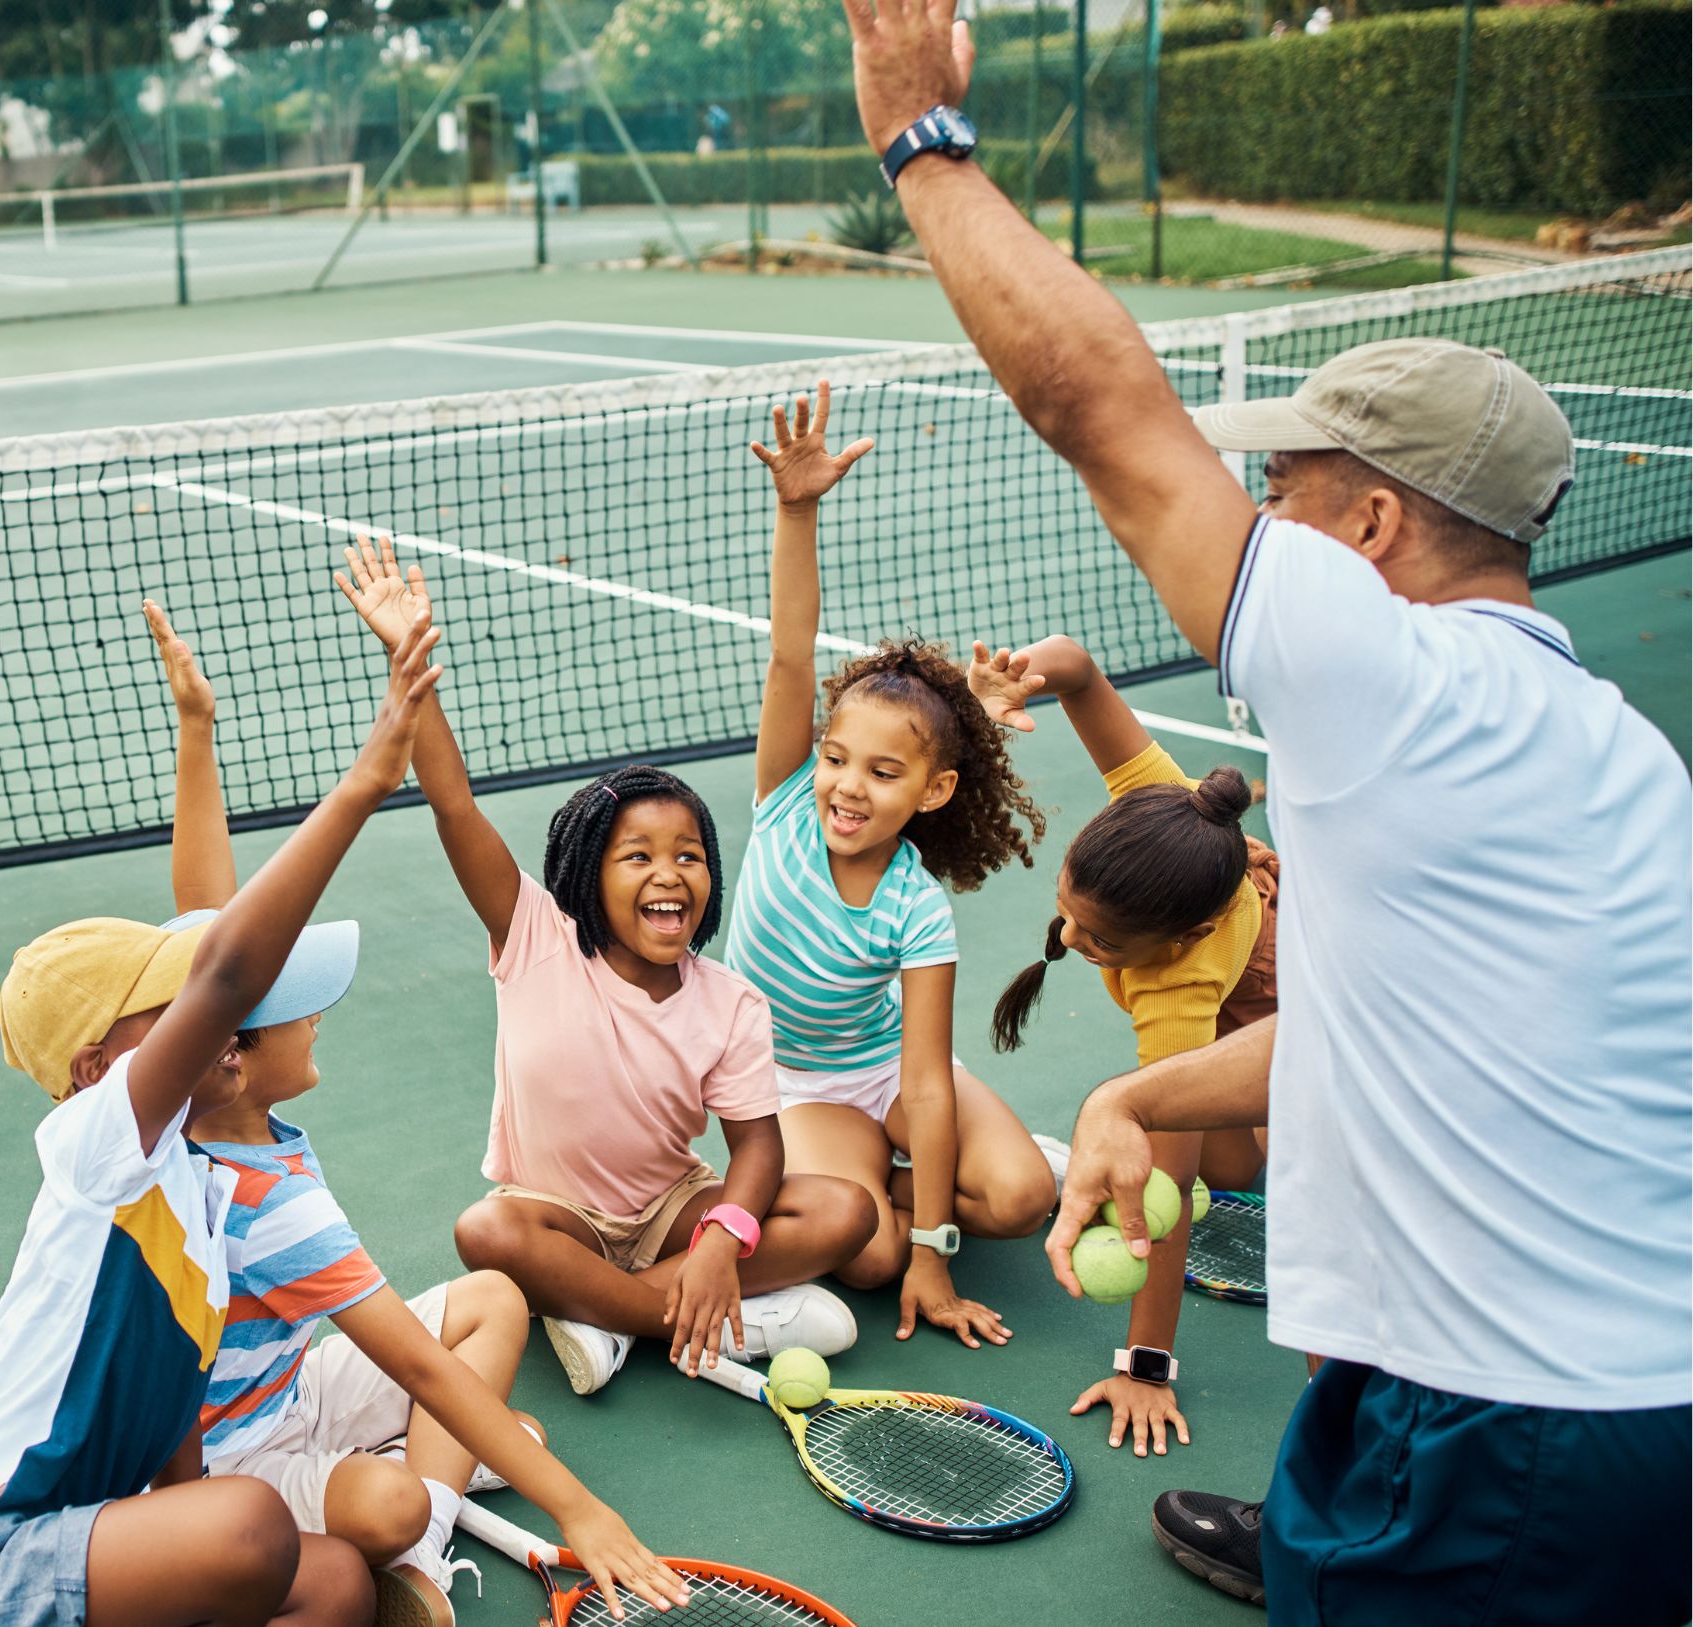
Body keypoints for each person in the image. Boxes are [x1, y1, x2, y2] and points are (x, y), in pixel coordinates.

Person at [836, 0, 1692, 1618]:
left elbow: (1096, 401)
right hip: (1580, 1395)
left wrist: (922, 150)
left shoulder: (1385, 675)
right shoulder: (1610, 746)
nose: (1264, 524)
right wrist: (1135, 1099)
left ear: (1374, 522)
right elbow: (1395, 1022)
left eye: (1289, 489)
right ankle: (1319, 1529)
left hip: (1505, 1425)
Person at [0, 614, 437, 1627]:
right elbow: (227, 962)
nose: (213, 1018)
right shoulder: (95, 1153)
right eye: (170, 1010)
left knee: (336, 1584)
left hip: (98, 1549)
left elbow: (177, 1463)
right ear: (97, 1067)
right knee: (252, 1526)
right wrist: (365, 780)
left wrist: (198, 731)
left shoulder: (201, 1201)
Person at [141, 601, 681, 1627]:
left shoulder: (196, 1109)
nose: (317, 1014)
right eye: (297, 1007)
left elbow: (217, 940)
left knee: (494, 1298)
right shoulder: (263, 1199)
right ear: (235, 1057)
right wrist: (583, 1511)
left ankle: (424, 1526)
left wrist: (198, 731)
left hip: (297, 1382)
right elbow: (417, 1360)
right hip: (231, 1460)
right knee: (390, 1500)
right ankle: (416, 1520)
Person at [333, 536, 872, 1398]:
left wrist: (723, 1242)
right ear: (587, 875)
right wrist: (407, 651)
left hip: (670, 1210)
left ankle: (620, 1317)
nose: (669, 873)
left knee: (846, 1210)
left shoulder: (729, 1002)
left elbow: (758, 1146)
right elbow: (452, 803)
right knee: (489, 1234)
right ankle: (700, 1318)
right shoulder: (533, 935)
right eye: (638, 857)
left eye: (689, 854)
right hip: (559, 1217)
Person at [727, 384, 1055, 1348]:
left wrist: (939, 1249)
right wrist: (798, 509)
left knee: (1024, 1197)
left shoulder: (917, 908)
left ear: (934, 791)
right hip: (800, 1081)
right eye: (838, 758)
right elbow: (792, 654)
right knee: (867, 1255)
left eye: (883, 772)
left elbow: (923, 1079)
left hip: (882, 1075)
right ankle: (874, 1182)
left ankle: (904, 1180)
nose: (847, 786)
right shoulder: (786, 797)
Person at [969, 635, 1276, 1456]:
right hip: (1248, 948)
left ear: (1186, 935)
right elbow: (1072, 663)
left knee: (1231, 1167)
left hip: (1281, 997)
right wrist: (1008, 686)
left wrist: (1146, 1365)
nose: (1068, 935)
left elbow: (1157, 1206)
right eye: (1069, 906)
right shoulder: (1160, 803)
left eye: (1098, 939)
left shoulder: (1175, 999)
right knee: (1236, 1165)